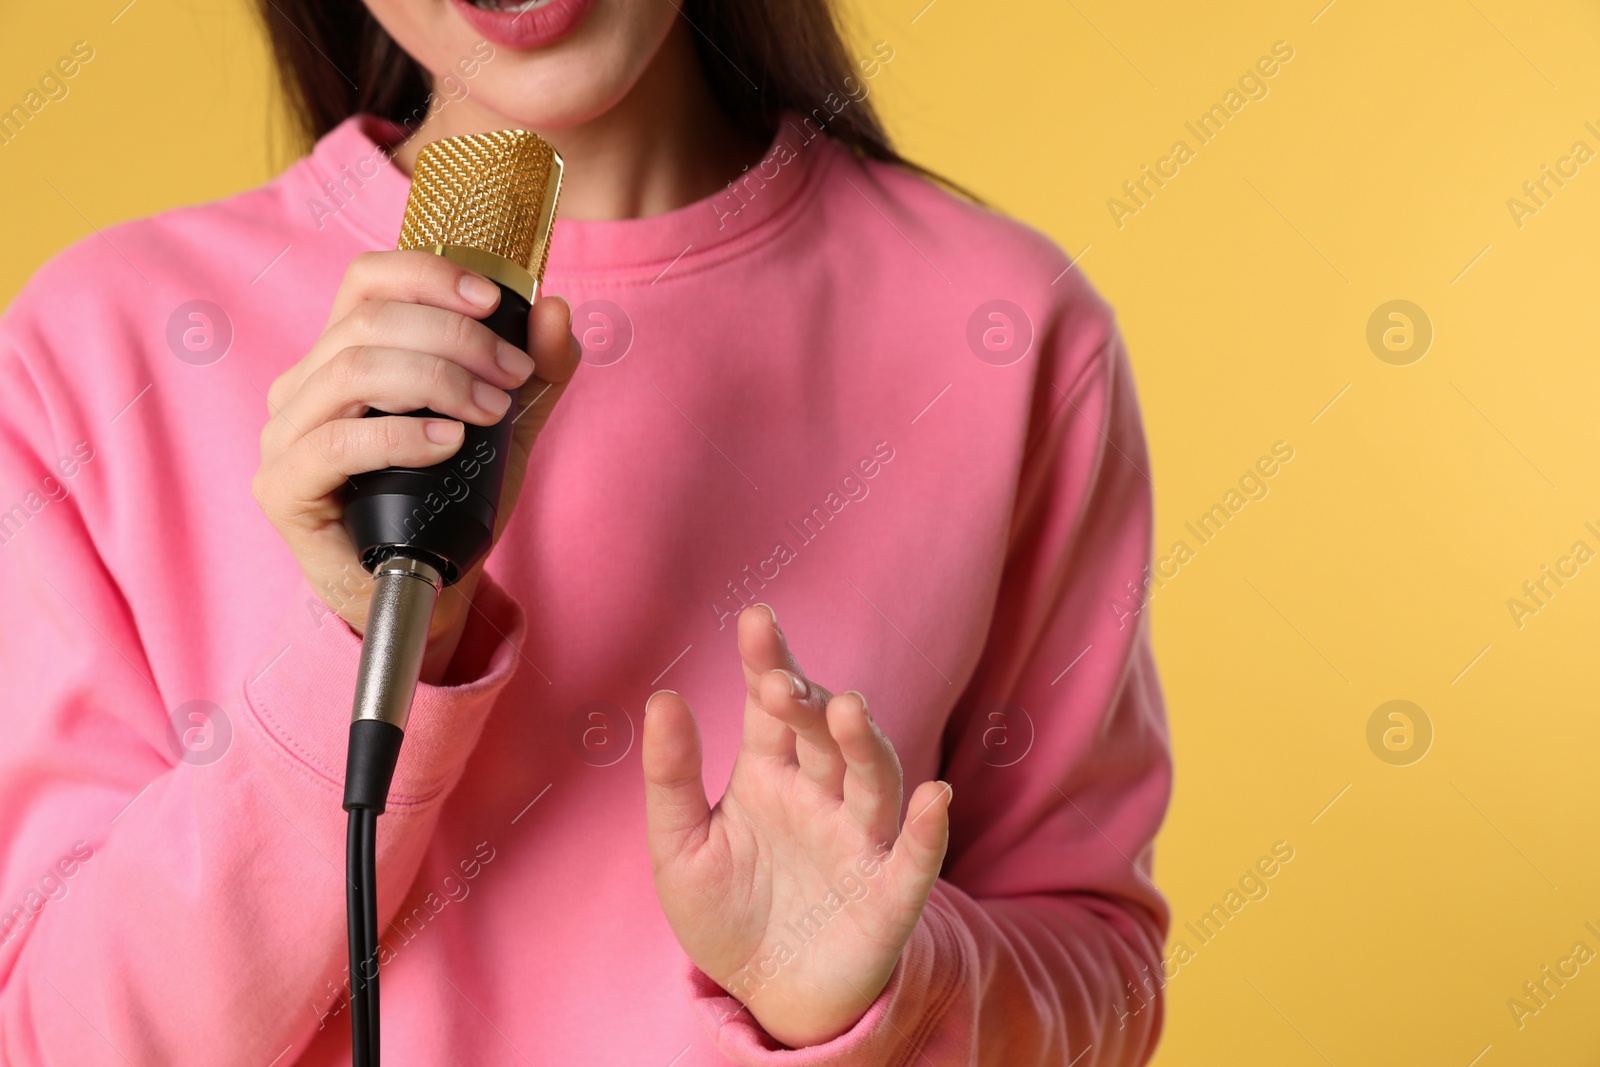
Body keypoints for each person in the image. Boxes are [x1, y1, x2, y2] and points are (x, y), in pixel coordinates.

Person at [0, 0, 1173, 1062]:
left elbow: (1101, 983)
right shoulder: (96, 354)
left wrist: (880, 990)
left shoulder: (1004, 331)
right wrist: (360, 644)